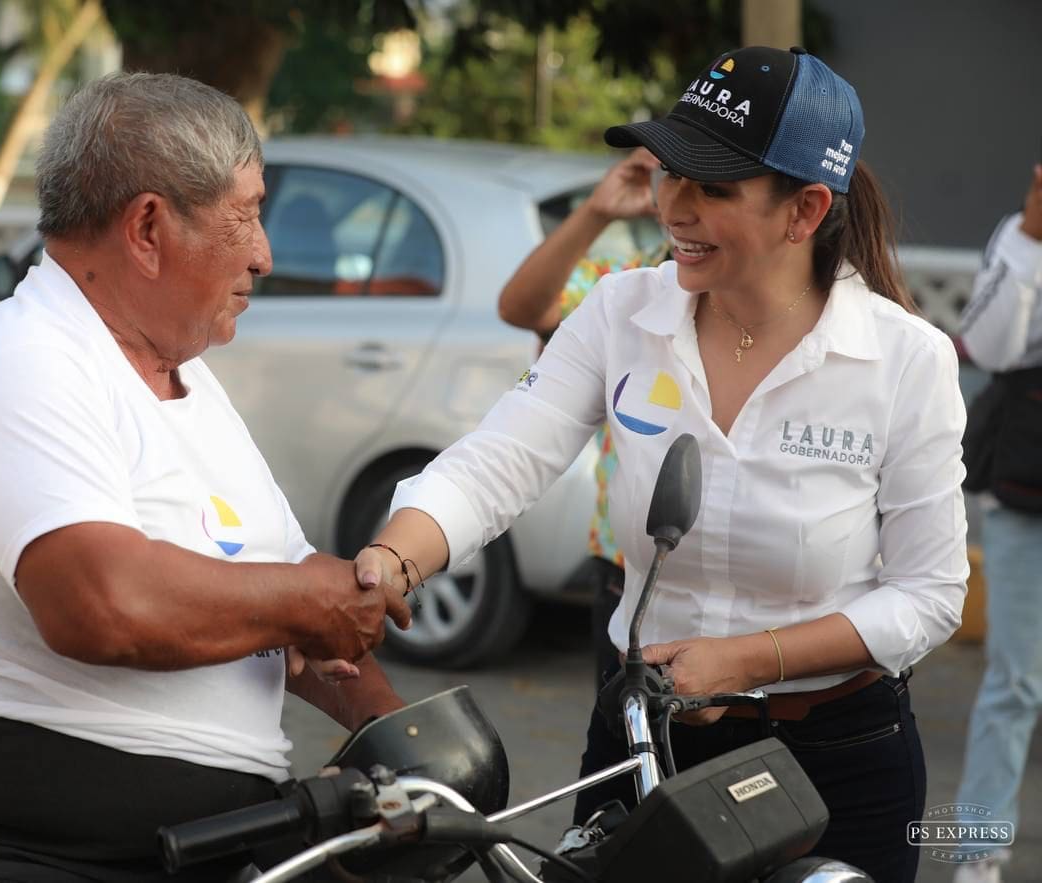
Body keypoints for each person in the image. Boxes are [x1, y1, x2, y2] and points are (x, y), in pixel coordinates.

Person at [355, 46, 968, 883]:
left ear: (806, 209)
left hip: (838, 758)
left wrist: (748, 659)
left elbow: (931, 596)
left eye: (713, 188)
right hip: (645, 739)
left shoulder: (905, 360)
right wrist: (395, 557)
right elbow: (500, 459)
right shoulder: (622, 311)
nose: (674, 206)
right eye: (671, 173)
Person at [0, 73, 410, 883]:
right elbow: (102, 602)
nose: (263, 252)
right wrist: (308, 599)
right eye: (247, 212)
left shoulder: (190, 383)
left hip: (209, 847)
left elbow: (302, 622)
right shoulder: (20, 357)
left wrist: (412, 743)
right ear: (148, 227)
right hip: (14, 860)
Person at [497, 147, 668, 689]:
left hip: (732, 581)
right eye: (674, 175)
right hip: (625, 566)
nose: (684, 198)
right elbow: (522, 307)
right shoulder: (628, 285)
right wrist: (598, 211)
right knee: (624, 758)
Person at [950, 161, 1042, 883]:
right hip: (1026, 490)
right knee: (1016, 681)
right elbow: (989, 346)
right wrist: (1033, 238)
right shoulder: (1018, 238)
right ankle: (978, 853)